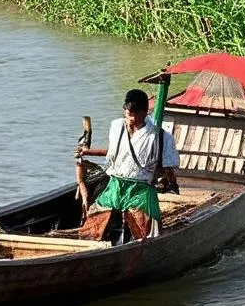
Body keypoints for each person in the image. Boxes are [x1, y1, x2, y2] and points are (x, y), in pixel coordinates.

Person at [76, 88, 180, 240]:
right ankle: (88, 244)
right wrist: (87, 152)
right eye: (127, 110)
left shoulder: (160, 136)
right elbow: (116, 152)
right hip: (115, 185)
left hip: (141, 190)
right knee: (92, 226)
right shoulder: (117, 127)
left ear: (145, 112)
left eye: (135, 112)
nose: (130, 115)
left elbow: (167, 167)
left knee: (148, 234)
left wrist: (172, 185)